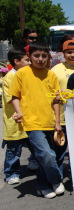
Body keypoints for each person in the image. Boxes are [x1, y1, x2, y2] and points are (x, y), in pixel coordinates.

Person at [9, 43, 64, 199]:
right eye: (36, 56)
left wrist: (58, 122)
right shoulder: (22, 74)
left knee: (43, 155)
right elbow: (15, 96)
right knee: (47, 155)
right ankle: (55, 180)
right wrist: (19, 113)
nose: (40, 59)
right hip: (31, 122)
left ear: (48, 57)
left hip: (49, 121)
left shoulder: (51, 75)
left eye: (44, 56)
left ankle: (42, 185)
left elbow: (56, 101)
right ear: (29, 57)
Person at [2, 48, 31, 185]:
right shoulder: (10, 77)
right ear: (16, 61)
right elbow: (11, 98)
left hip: (29, 118)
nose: (29, 62)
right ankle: (11, 172)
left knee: (33, 144)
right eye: (27, 60)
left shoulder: (26, 74)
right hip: (14, 119)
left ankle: (34, 163)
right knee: (14, 148)